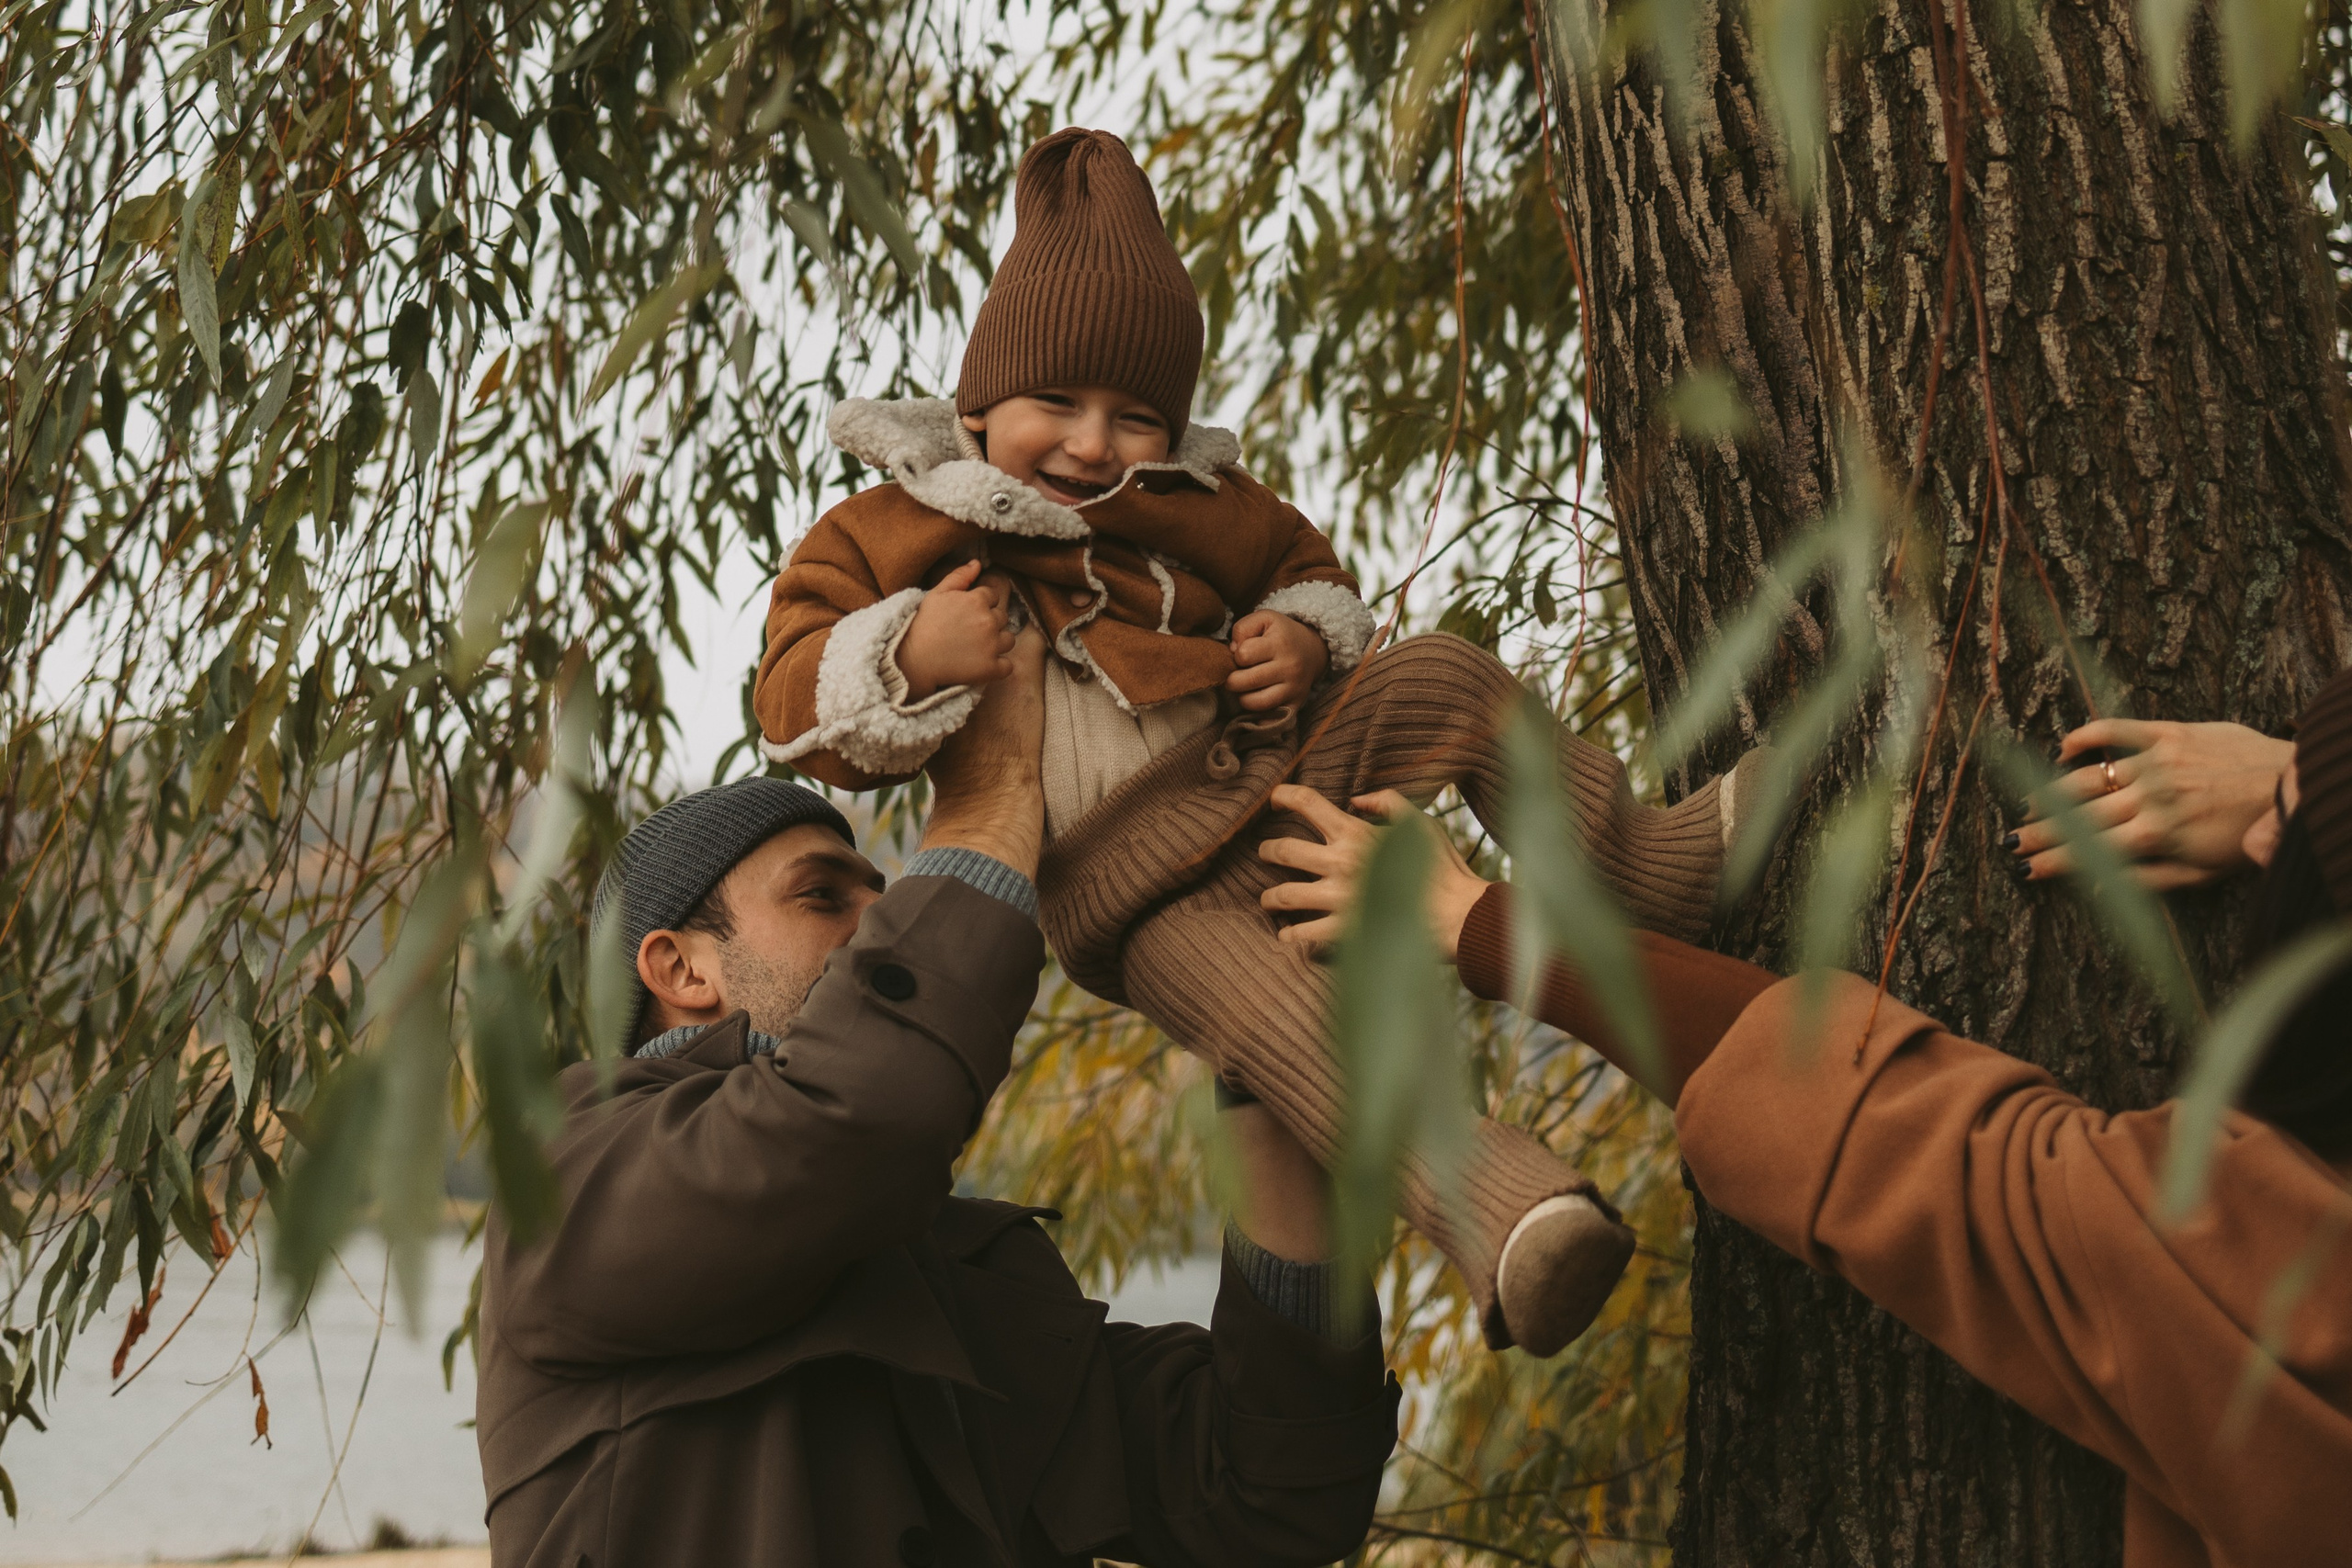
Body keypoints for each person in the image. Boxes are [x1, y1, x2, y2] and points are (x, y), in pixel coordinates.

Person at [752, 125, 1774, 1357]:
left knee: (1446, 674)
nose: (1090, 444)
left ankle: (1651, 866)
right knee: (1289, 1024)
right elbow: (795, 700)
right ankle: (1504, 1212)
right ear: (978, 403)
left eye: (1135, 416)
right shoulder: (899, 521)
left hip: (1265, 769)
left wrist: (1300, 636)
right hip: (1138, 891)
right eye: (1055, 405)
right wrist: (908, 656)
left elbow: (1307, 569)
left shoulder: (1198, 502)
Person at [1258, 672, 2352, 1568]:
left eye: (2290, 841)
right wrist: (2297, 782)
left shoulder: (2294, 1292)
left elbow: (1916, 1147)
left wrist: (1475, 921)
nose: (2264, 847)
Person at [473, 626, 1401, 1568]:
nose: (881, 919)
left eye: (883, 891)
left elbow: (1270, 1494)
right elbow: (851, 1119)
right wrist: (992, 794)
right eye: (821, 895)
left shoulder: (967, 1275)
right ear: (680, 968)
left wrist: (1261, 1053)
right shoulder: (568, 1177)